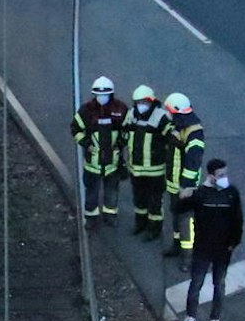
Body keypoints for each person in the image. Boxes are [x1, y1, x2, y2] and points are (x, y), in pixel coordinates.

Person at [177, 157, 241, 321]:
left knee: (219, 285)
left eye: (225, 174)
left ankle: (215, 320)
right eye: (221, 175)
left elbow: (238, 221)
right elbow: (180, 208)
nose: (225, 178)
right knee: (196, 283)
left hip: (222, 250)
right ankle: (190, 317)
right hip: (203, 248)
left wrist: (232, 244)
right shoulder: (201, 194)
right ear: (211, 176)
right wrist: (184, 195)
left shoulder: (232, 194)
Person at [71, 76, 126, 225]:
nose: (102, 98)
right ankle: (91, 217)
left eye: (105, 95)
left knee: (112, 191)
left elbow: (127, 129)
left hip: (112, 163)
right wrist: (86, 143)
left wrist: (121, 142)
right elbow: (75, 129)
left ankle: (110, 215)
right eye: (99, 94)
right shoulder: (86, 111)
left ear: (111, 94)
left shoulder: (120, 109)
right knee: (91, 193)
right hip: (92, 163)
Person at [121, 85, 171, 238]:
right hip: (136, 168)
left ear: (151, 101)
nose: (141, 105)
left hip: (155, 170)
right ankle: (140, 223)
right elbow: (124, 135)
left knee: (155, 201)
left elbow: (170, 140)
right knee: (139, 199)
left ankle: (154, 229)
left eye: (144, 102)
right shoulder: (131, 114)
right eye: (138, 102)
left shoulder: (161, 117)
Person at [161, 92, 206, 258]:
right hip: (174, 183)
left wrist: (186, 186)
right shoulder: (179, 125)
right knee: (176, 216)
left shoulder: (194, 133)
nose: (167, 114)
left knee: (187, 221)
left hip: (185, 187)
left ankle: (188, 256)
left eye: (169, 111)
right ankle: (176, 246)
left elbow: (193, 163)